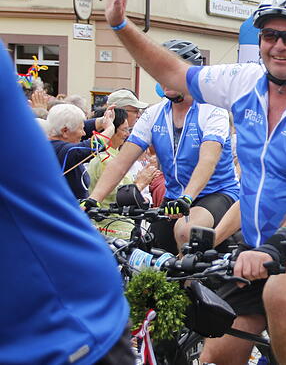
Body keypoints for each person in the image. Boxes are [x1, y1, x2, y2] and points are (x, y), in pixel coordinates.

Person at [103, 0, 286, 365]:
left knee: (281, 294)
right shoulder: (243, 83)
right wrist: (121, 24)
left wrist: (274, 247)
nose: (280, 46)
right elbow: (173, 72)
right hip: (259, 243)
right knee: (216, 355)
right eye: (270, 35)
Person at [0, 41, 135, 364]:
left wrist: (96, 125)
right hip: (52, 312)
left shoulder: (61, 143)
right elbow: (89, 146)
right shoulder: (68, 149)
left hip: (72, 325)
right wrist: (104, 127)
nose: (81, 134)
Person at [82, 40, 240, 255]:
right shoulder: (154, 114)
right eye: (158, 72)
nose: (163, 78)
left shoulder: (212, 110)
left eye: (170, 71)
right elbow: (121, 162)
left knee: (186, 231)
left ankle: (189, 275)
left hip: (215, 193)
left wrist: (187, 197)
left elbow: (208, 160)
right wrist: (93, 199)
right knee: (147, 250)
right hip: (175, 197)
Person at [47, 103, 116, 199]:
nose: (84, 133)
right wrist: (110, 129)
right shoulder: (63, 151)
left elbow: (85, 126)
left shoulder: (52, 143)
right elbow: (93, 146)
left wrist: (104, 120)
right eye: (81, 129)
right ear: (65, 131)